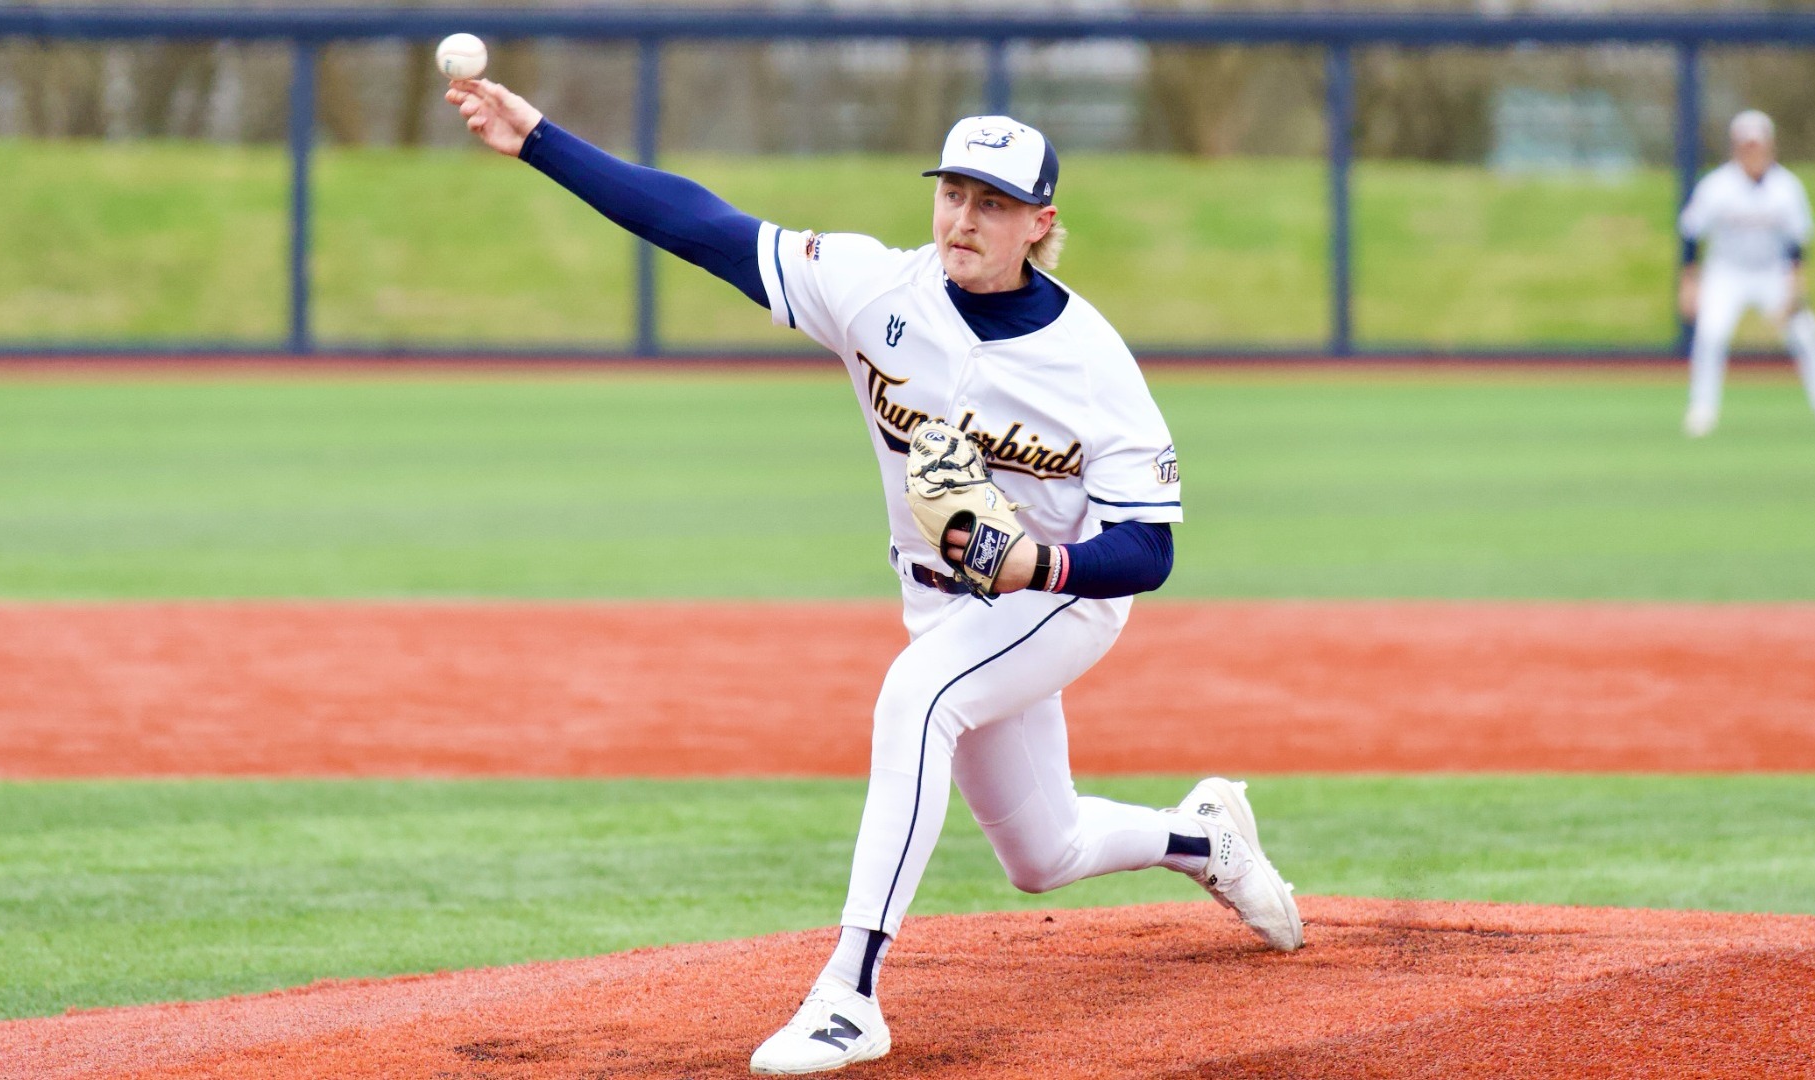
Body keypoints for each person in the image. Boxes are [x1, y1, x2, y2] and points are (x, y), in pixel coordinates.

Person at [446, 78, 1304, 1076]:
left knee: (917, 700)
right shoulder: (871, 287)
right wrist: (539, 141)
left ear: (1040, 223)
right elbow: (703, 226)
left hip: (1061, 599)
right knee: (1044, 853)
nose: (964, 218)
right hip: (940, 600)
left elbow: (1148, 550)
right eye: (953, 194)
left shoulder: (1092, 365)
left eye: (992, 203)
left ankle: (849, 996)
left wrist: (1037, 561)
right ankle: (1208, 840)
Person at [1677, 109, 1815, 437]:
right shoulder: (1717, 186)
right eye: (1746, 146)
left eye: (1757, 145)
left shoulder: (1787, 187)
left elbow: (1796, 241)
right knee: (1711, 334)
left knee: (1807, 336)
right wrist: (1689, 282)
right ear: (1736, 147)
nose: (1753, 152)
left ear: (1769, 146)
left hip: (1771, 273)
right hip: (1726, 273)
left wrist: (1794, 284)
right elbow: (1691, 233)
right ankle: (1702, 409)